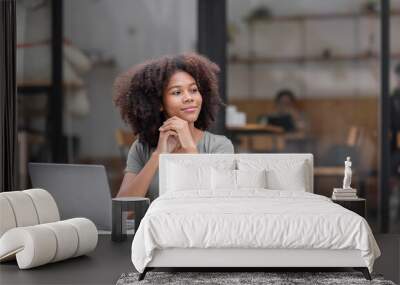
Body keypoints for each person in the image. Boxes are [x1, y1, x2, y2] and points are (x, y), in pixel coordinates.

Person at [113, 53, 234, 201]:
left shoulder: (219, 146)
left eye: (194, 90)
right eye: (177, 92)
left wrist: (190, 147)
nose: (189, 97)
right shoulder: (141, 148)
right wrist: (157, 156)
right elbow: (125, 209)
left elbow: (217, 202)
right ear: (159, 104)